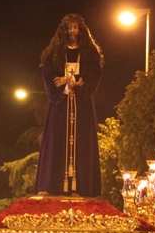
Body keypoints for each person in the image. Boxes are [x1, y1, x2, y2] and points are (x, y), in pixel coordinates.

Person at [35, 13, 104, 196]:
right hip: (60, 106)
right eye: (69, 27)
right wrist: (65, 86)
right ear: (63, 30)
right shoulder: (54, 53)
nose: (72, 31)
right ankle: (50, 186)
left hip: (82, 107)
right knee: (55, 142)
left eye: (75, 27)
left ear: (81, 29)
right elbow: (49, 75)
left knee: (82, 144)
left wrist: (74, 81)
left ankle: (80, 188)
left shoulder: (89, 54)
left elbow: (94, 74)